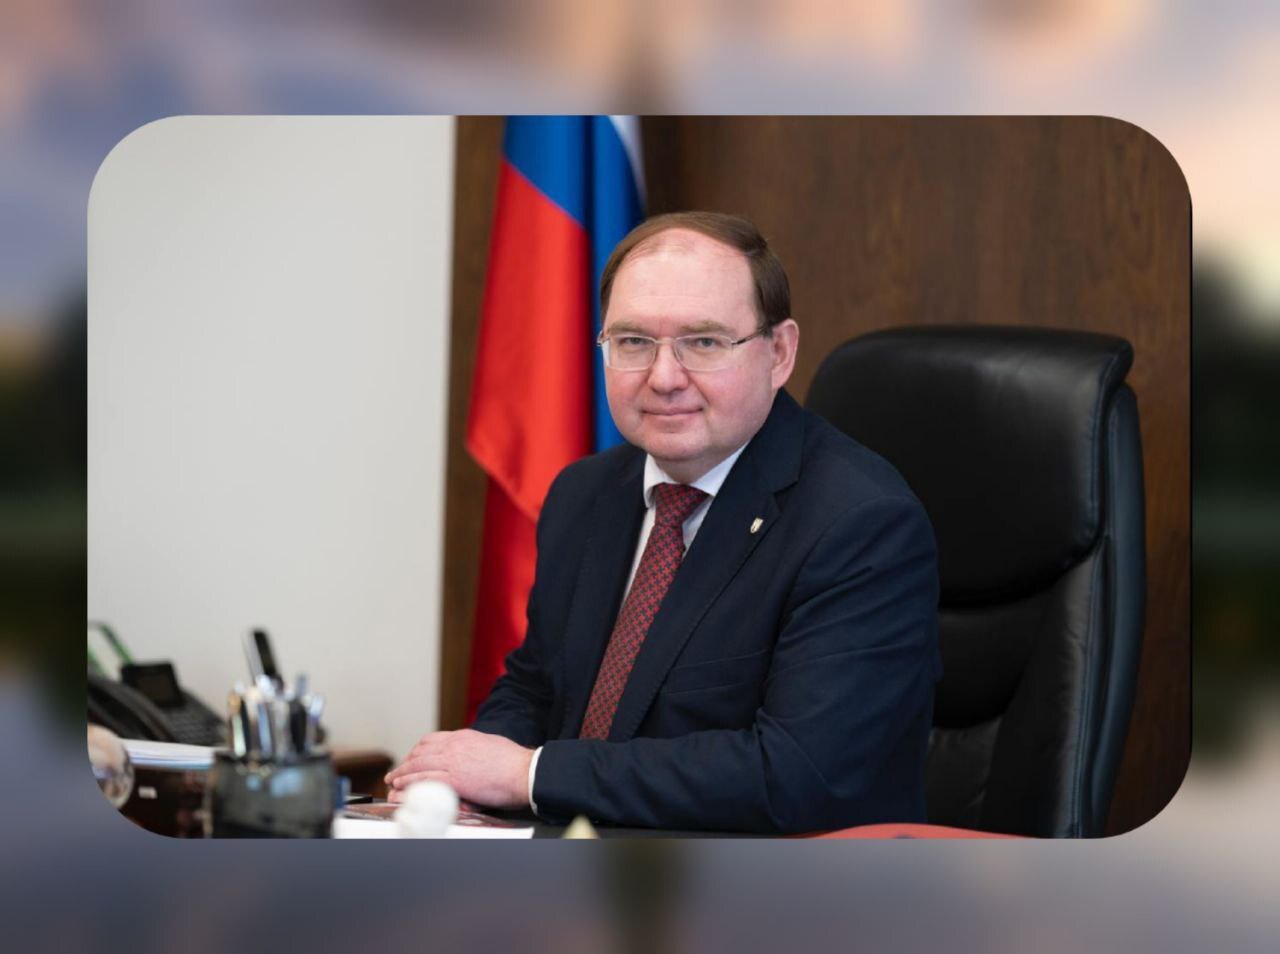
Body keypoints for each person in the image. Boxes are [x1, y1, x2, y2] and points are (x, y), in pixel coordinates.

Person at [386, 211, 940, 833]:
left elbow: (796, 774)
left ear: (779, 353)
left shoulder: (860, 523)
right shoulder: (584, 494)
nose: (664, 377)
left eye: (703, 342)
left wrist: (530, 774)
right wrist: (460, 782)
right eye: (633, 342)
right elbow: (538, 688)